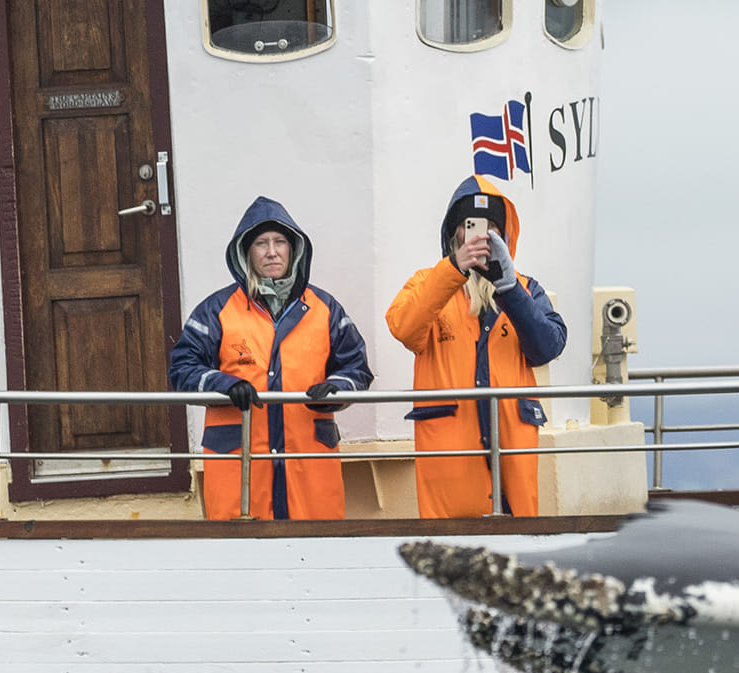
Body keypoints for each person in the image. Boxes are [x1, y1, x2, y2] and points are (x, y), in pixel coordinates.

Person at [166, 197, 373, 522]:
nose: (272, 251)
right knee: (240, 562)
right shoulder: (216, 310)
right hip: (241, 473)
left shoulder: (325, 308)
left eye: (280, 242)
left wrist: (336, 389)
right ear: (246, 252)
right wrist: (224, 385)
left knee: (316, 555)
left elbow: (357, 368)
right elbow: (181, 369)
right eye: (261, 243)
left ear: (294, 249)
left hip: (308, 470)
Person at [386, 177, 567, 519]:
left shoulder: (525, 288)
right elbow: (404, 328)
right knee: (448, 556)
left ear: (505, 237)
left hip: (512, 457)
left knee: (515, 557)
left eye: (492, 229)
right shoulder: (427, 282)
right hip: (450, 462)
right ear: (453, 233)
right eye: (470, 227)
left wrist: (509, 287)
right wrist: (454, 268)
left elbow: (547, 346)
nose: (481, 237)